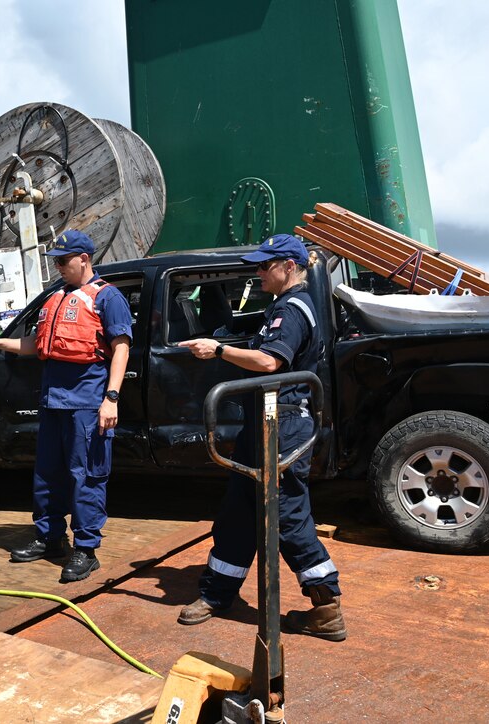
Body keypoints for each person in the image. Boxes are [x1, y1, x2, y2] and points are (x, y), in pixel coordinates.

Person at [175, 233, 346, 641]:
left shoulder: (293, 308)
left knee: (286, 515)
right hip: (265, 425)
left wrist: (218, 350)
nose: (258, 272)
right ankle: (217, 594)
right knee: (239, 511)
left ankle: (327, 606)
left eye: (265, 266)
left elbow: (270, 360)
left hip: (281, 427)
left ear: (289, 266)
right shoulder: (282, 306)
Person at [0, 230, 132, 582]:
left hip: (87, 404)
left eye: (63, 260)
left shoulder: (107, 297)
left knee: (85, 476)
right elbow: (36, 345)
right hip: (53, 402)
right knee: (47, 475)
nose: (57, 267)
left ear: (84, 259)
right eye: (55, 260)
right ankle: (50, 537)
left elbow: (121, 348)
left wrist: (111, 398)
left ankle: (86, 550)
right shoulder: (56, 297)